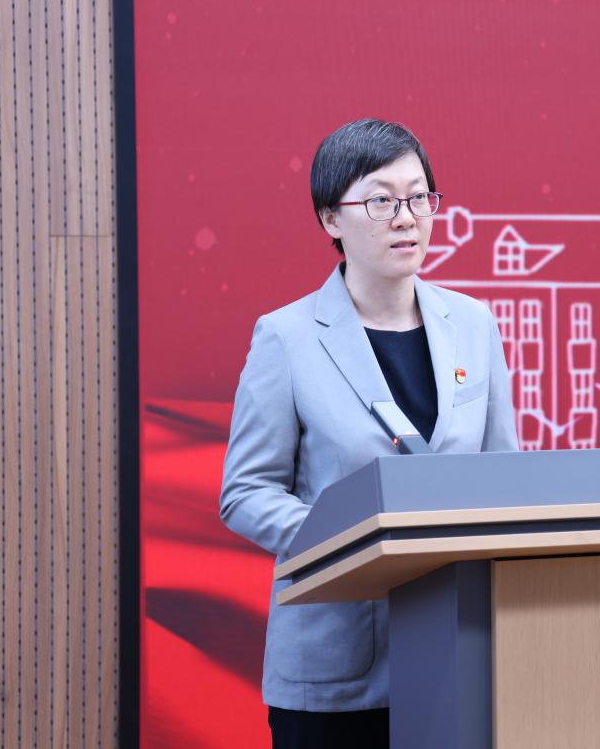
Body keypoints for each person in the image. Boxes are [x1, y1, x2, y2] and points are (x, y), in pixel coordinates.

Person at [220, 119, 519, 748]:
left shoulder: (473, 324)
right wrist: (357, 542)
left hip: (458, 650)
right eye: (381, 201)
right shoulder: (287, 338)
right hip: (337, 665)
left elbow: (504, 477)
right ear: (331, 218)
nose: (406, 219)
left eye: (419, 197)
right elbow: (246, 493)